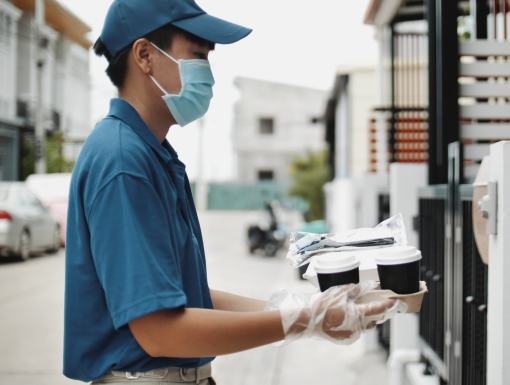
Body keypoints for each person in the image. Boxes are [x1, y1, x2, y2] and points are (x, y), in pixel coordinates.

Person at [62, 1, 400, 384]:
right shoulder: (123, 161)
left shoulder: (151, 153)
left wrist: (307, 310)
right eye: (197, 56)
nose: (207, 75)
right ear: (144, 56)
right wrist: (306, 321)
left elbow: (186, 297)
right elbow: (159, 330)